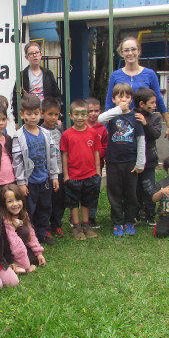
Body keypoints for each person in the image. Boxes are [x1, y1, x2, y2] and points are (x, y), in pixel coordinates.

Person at [97, 83, 146, 237]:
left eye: (127, 96)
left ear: (131, 99)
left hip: (131, 162)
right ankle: (118, 222)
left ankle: (130, 220)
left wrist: (140, 163)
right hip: (113, 161)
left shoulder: (136, 117)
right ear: (114, 99)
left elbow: (141, 140)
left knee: (130, 193)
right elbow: (100, 120)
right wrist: (118, 109)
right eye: (120, 96)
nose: (123, 99)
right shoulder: (112, 115)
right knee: (115, 192)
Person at [11, 95, 60, 245]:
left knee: (45, 207)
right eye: (29, 114)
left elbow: (52, 156)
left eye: (36, 113)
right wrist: (21, 182)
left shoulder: (45, 133)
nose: (33, 117)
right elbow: (17, 160)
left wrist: (54, 176)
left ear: (40, 113)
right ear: (22, 114)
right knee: (29, 210)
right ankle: (29, 236)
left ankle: (42, 233)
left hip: (44, 179)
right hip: (29, 181)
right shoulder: (18, 136)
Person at [104, 37, 169, 126]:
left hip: (143, 123)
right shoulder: (115, 75)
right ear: (121, 53)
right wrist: (106, 129)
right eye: (126, 50)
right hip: (121, 124)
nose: (130, 53)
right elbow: (109, 102)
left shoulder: (150, 74)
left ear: (139, 51)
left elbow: (158, 99)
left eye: (133, 49)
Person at [60, 99, 102, 241]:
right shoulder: (66, 135)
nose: (80, 117)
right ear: (70, 115)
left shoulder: (93, 133)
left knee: (86, 201)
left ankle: (86, 225)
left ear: (87, 115)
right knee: (74, 202)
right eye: (76, 114)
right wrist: (66, 175)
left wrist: (98, 171)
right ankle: (76, 227)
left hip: (90, 175)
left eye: (83, 114)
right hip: (73, 176)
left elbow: (96, 151)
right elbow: (64, 155)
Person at [0, 184, 46, 274]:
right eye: (10, 201)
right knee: (28, 262)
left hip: (18, 244)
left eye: (18, 200)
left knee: (35, 260)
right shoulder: (5, 220)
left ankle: (19, 263)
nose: (15, 204)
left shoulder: (23, 214)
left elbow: (31, 234)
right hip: (6, 251)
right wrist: (27, 267)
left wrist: (38, 253)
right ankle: (13, 264)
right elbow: (14, 243)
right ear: (4, 204)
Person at [11, 41, 62, 122]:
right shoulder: (22, 75)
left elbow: (57, 96)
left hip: (46, 117)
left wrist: (57, 117)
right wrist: (17, 120)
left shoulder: (48, 74)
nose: (34, 55)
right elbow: (15, 99)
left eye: (37, 52)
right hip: (30, 117)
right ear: (27, 57)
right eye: (31, 53)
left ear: (40, 54)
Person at [134, 87, 162, 227]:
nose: (155, 105)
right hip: (133, 161)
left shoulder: (155, 118)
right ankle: (137, 212)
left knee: (148, 187)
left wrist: (145, 124)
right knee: (135, 188)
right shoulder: (131, 115)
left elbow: (155, 134)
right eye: (152, 102)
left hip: (149, 161)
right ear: (141, 104)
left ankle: (151, 213)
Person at [42, 97, 65, 238]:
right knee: (46, 200)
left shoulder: (59, 130)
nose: (53, 117)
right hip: (46, 172)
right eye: (49, 114)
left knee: (59, 199)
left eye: (56, 114)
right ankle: (45, 226)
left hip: (60, 170)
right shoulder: (39, 131)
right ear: (42, 113)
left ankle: (57, 224)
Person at [86, 97, 108, 228]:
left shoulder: (102, 129)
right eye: (90, 111)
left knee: (94, 193)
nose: (93, 113)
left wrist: (95, 156)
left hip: (96, 168)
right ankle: (76, 217)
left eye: (96, 110)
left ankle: (91, 217)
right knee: (80, 193)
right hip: (81, 168)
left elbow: (105, 146)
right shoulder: (79, 126)